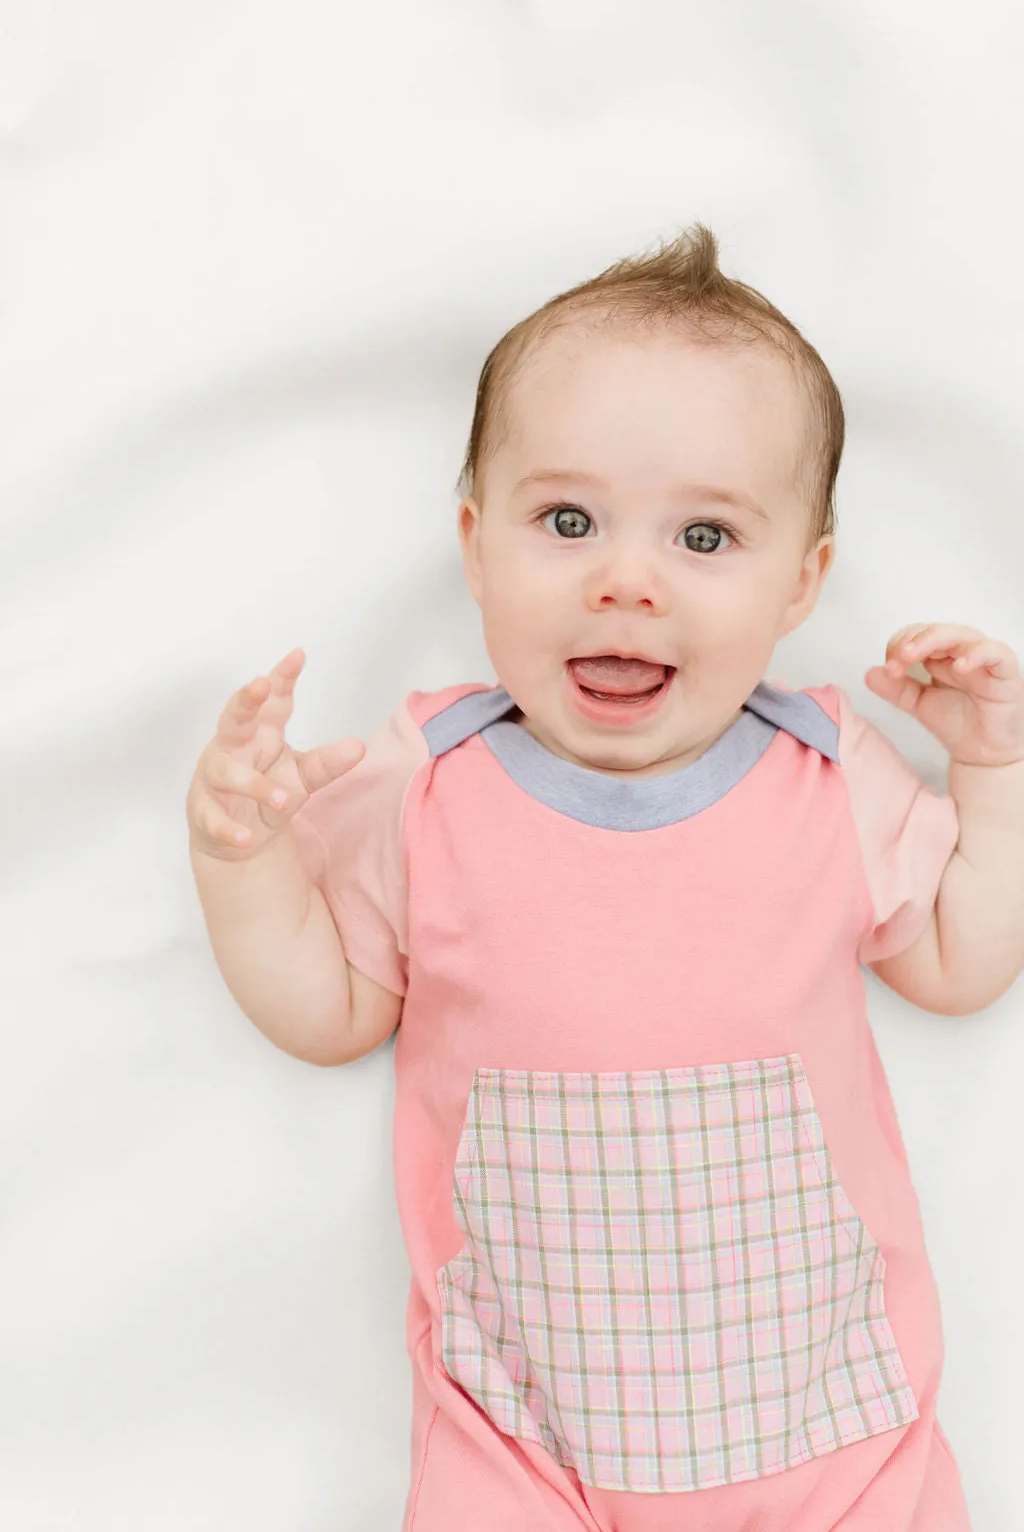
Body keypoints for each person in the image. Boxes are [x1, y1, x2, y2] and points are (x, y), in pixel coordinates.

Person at [186, 224, 1024, 1531]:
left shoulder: (825, 772)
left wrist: (996, 772)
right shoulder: (429, 779)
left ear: (804, 582)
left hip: (832, 1440)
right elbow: (328, 1010)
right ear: (475, 544)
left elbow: (965, 964)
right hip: (522, 1445)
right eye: (566, 521)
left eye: (705, 537)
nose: (626, 582)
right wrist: (241, 862)